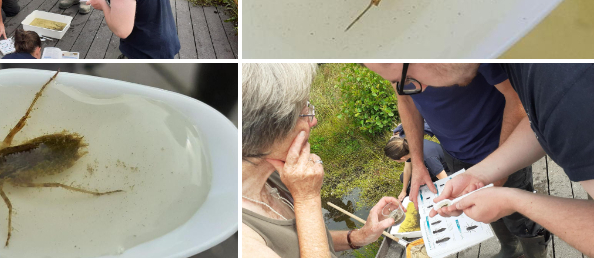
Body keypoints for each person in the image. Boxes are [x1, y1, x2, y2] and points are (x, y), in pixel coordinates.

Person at [369, 63, 594, 257]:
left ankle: (535, 253)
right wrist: (478, 175)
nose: (419, 91)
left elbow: (537, 111)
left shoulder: (567, 96)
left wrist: (513, 199)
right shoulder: (531, 76)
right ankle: (511, 249)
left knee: (521, 221)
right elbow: (535, 124)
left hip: (496, 142)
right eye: (399, 83)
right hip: (459, 153)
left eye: (408, 78)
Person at [242, 63, 403, 257]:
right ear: (268, 131)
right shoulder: (243, 241)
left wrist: (358, 237)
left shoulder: (274, 174)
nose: (314, 120)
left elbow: (300, 240)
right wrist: (307, 198)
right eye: (304, 113)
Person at [384, 136, 448, 202]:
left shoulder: (428, 158)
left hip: (444, 168)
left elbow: (445, 179)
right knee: (403, 177)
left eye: (394, 160)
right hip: (429, 164)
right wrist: (404, 191)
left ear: (402, 158)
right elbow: (407, 169)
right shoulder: (408, 147)